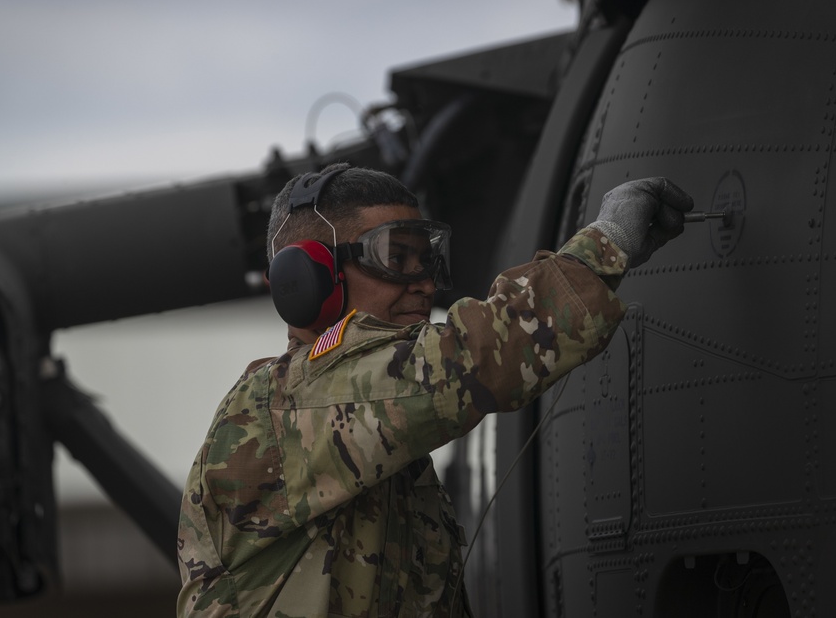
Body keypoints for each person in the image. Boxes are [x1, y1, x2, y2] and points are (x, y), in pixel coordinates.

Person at [176, 163, 693, 617]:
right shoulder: (282, 404)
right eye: (394, 258)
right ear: (307, 277)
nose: (424, 282)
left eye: (427, 259)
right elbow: (469, 358)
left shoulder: (372, 431)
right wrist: (606, 244)